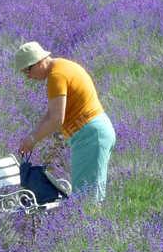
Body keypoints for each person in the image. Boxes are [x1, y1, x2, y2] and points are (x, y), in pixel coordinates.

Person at [15, 41, 116, 201]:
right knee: (89, 194)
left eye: (28, 71)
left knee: (87, 200)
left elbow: (56, 120)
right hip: (94, 131)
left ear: (39, 62)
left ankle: (87, 227)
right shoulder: (62, 66)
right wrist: (31, 137)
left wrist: (33, 139)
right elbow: (51, 114)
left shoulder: (57, 76)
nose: (28, 77)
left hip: (89, 135)